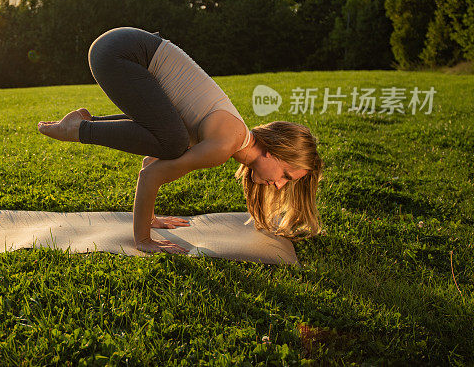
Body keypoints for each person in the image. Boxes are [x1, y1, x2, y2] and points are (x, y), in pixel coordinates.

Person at [38, 26, 324, 254]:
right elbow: (151, 175)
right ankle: (80, 129)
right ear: (274, 152)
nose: (281, 184)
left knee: (170, 141)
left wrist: (151, 219)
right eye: (287, 175)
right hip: (121, 52)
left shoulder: (229, 133)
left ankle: (84, 122)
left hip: (122, 48)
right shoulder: (224, 145)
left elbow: (152, 158)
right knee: (172, 143)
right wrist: (144, 239)